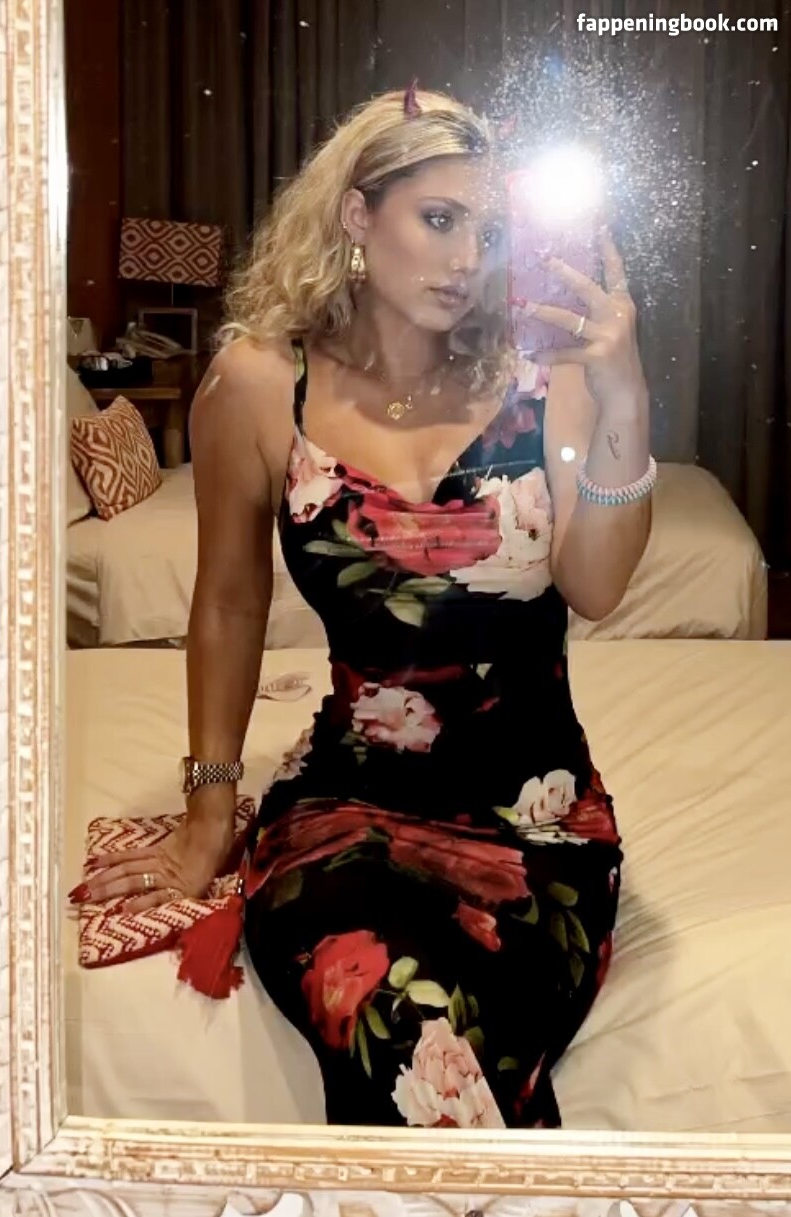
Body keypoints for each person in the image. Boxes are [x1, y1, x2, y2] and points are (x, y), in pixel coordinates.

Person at [73, 88, 654, 1129]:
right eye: (438, 219)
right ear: (356, 213)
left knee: (473, 1041)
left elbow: (598, 587)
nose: (465, 258)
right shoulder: (258, 385)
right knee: (398, 1024)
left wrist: (625, 400)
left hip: (536, 817)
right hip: (347, 808)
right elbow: (228, 601)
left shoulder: (543, 378)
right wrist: (209, 810)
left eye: (487, 231)